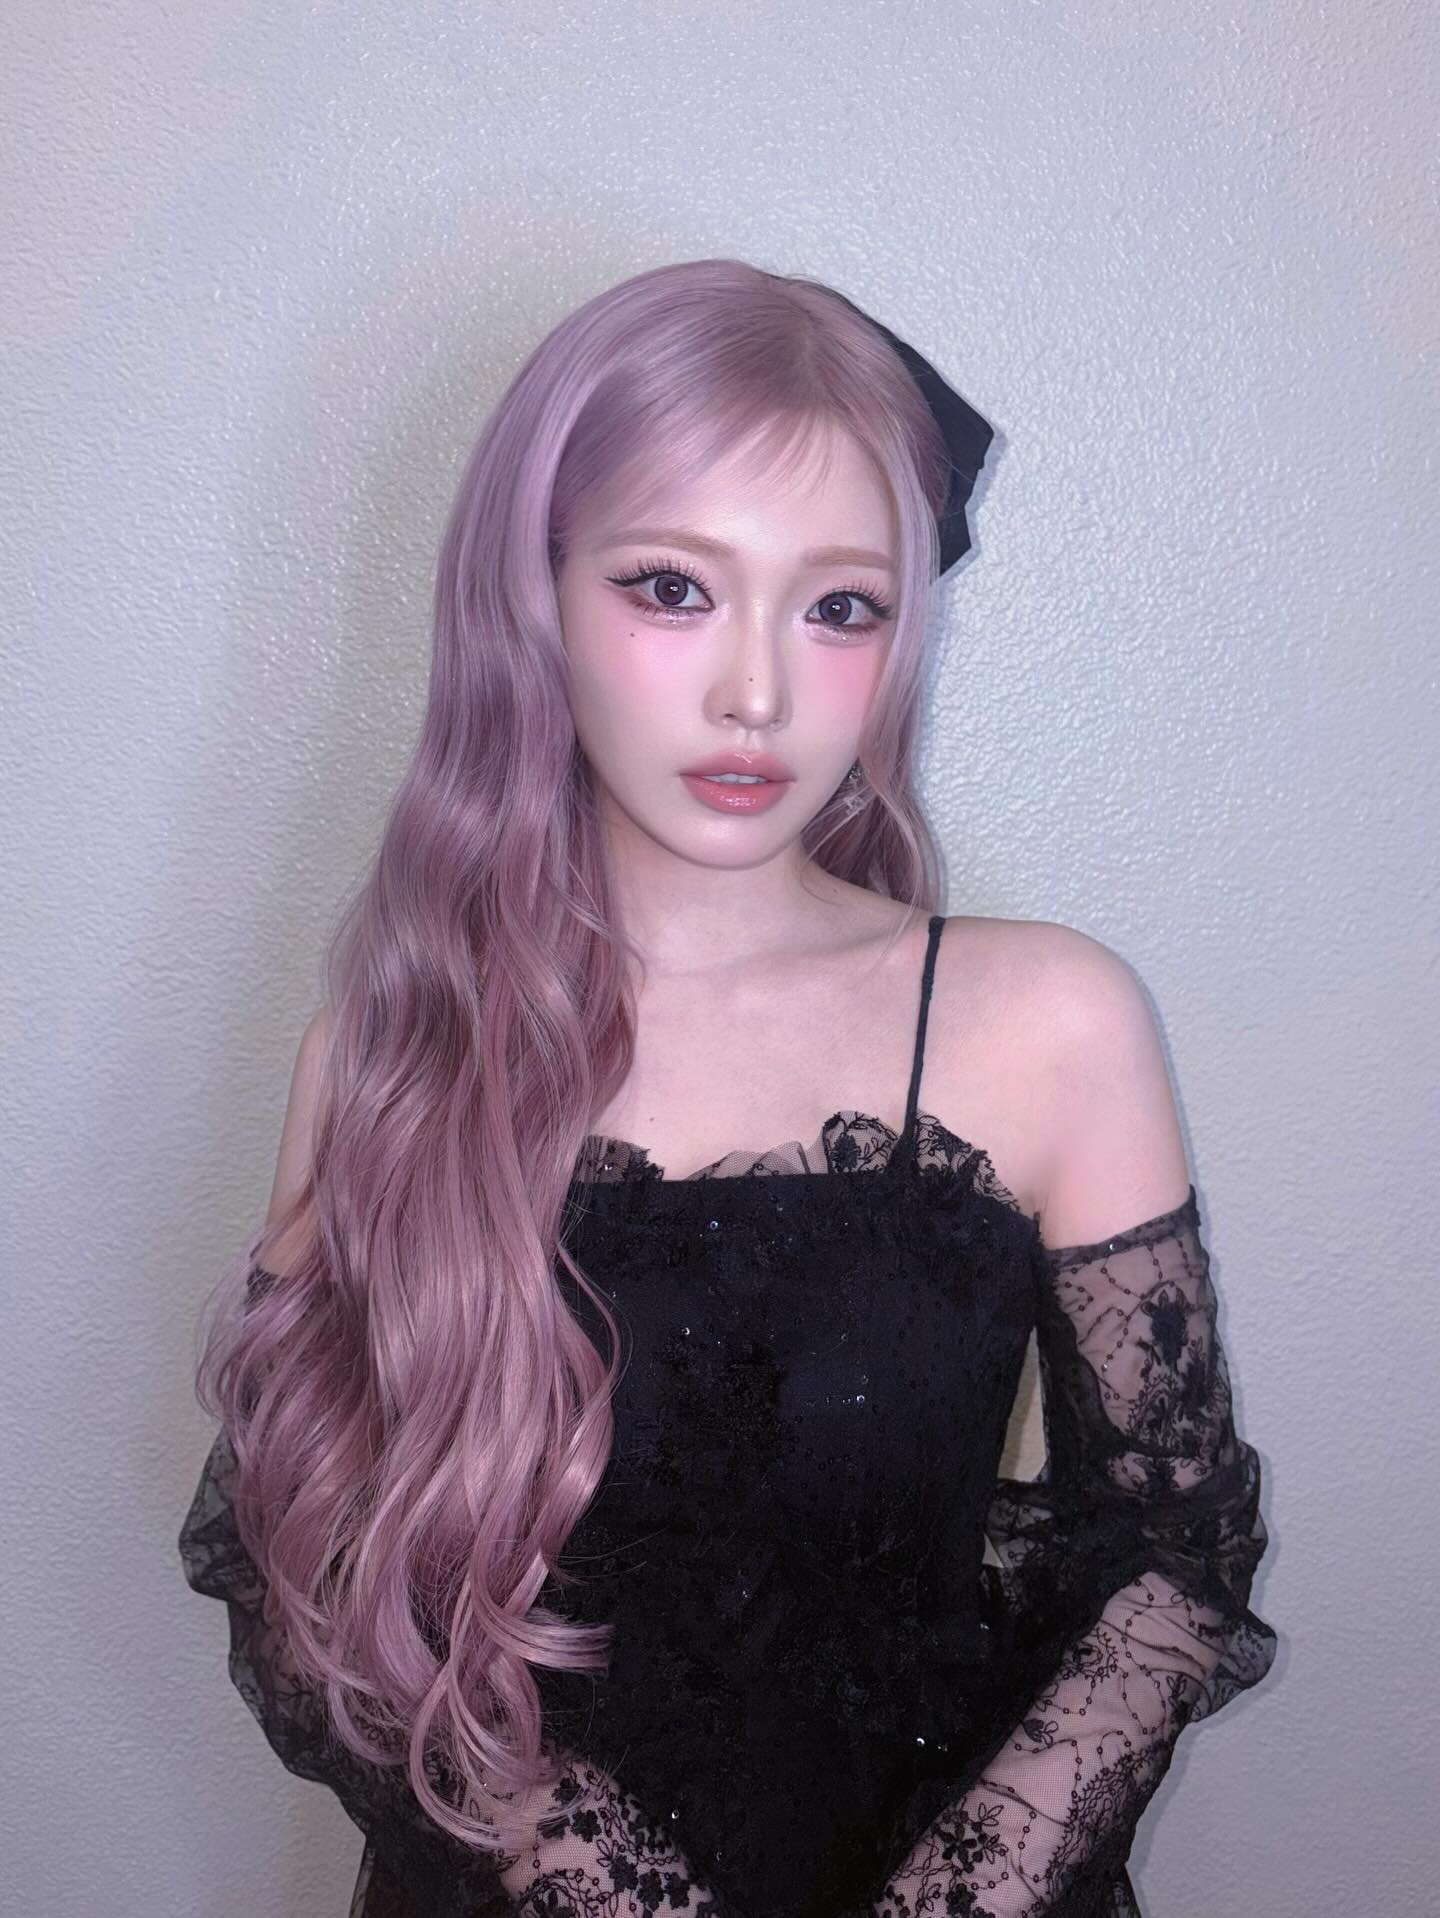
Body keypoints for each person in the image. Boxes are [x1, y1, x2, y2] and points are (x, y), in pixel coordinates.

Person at [178, 258, 1275, 1917]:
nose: (755, 690)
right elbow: (305, 1564)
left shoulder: (1046, 1025)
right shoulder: (398, 1055)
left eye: (840, 608)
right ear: (534, 595)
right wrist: (597, 1886)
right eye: (674, 587)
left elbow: (1168, 1561)